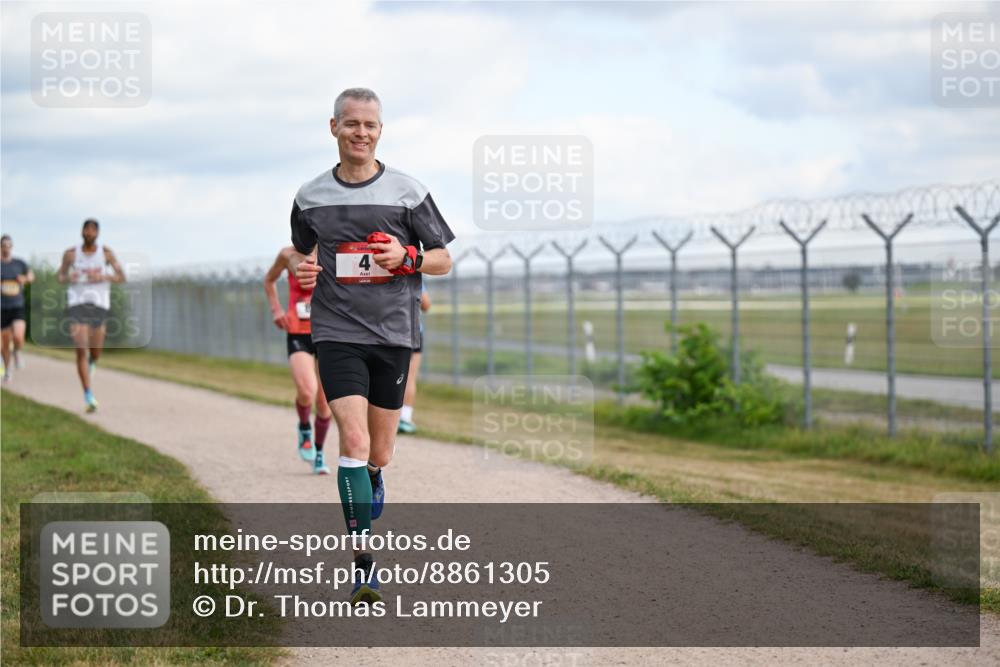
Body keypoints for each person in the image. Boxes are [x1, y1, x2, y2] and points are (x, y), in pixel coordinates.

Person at [288, 87, 454, 605]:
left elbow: (443, 259)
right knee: (353, 443)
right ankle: (363, 564)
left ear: (380, 131)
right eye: (352, 123)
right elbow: (299, 253)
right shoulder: (309, 196)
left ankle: (375, 475)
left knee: (379, 451)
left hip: (394, 334)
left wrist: (407, 257)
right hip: (336, 332)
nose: (362, 132)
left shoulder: (408, 191)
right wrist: (305, 267)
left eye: (371, 125)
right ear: (333, 127)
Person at [263, 247, 333, 474]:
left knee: (325, 401)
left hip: (328, 333)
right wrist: (276, 310)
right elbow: (269, 280)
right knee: (307, 390)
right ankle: (304, 428)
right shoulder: (287, 255)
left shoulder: (333, 250)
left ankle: (319, 453)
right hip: (298, 331)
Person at [57, 219, 126, 412]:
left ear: (97, 233)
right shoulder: (71, 253)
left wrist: (103, 276)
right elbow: (60, 276)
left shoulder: (106, 253)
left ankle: (92, 362)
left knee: (95, 351)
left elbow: (122, 277)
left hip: (99, 304)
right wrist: (69, 277)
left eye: (92, 229)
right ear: (81, 232)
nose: (88, 232)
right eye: (86, 229)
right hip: (77, 303)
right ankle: (88, 395)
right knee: (81, 348)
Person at [398, 284, 431, 433]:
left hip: (387, 329)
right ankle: (405, 418)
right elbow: (426, 305)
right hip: (412, 330)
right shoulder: (410, 271)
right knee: (410, 377)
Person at [1, 235, 34, 381]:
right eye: (4, 245)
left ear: (11, 247)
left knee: (19, 336)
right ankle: (7, 370)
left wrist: (25, 279)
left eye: (9, 245)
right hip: (2, 308)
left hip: (17, 306)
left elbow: (31, 275)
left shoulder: (19, 263)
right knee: (5, 343)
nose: (6, 247)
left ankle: (17, 352)